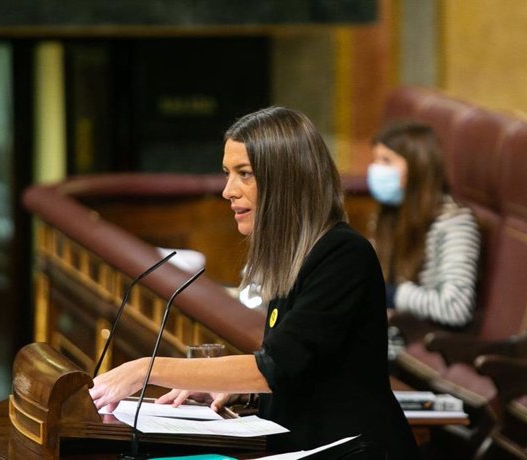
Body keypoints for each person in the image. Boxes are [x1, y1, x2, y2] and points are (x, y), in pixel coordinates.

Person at [90, 107, 420, 459]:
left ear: (286, 179)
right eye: (227, 174)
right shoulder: (292, 259)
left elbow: (276, 367)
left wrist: (147, 370)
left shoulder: (343, 254)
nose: (228, 191)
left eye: (244, 174)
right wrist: (233, 391)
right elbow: (305, 373)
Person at [367, 121, 481, 329]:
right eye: (375, 160)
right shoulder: (388, 213)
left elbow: (456, 307)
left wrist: (393, 295)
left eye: (386, 161)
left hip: (418, 340)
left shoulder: (454, 222)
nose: (375, 169)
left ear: (417, 165)